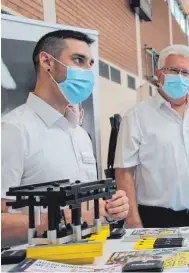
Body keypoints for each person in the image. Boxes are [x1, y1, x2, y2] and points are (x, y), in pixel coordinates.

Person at [1, 30, 129, 247]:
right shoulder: (13, 131)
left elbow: (89, 209)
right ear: (46, 62)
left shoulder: (79, 134)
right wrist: (61, 221)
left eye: (90, 63)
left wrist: (109, 209)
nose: (88, 71)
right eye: (79, 60)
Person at [114, 44, 189, 238]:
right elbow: (124, 172)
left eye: (185, 72)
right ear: (159, 73)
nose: (179, 76)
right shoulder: (136, 117)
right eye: (172, 70)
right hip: (157, 219)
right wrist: (133, 220)